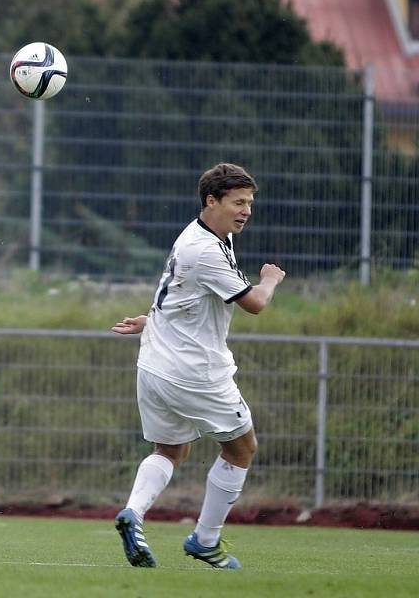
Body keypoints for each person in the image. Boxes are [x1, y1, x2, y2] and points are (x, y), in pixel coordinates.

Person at [112, 163, 285, 569]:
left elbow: (177, 294)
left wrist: (150, 320)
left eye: (249, 203)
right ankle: (205, 540)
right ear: (212, 200)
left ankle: (133, 514)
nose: (246, 210)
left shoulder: (198, 235)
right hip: (194, 371)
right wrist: (271, 279)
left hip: (155, 363)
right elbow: (255, 304)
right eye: (238, 202)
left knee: (171, 448)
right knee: (242, 447)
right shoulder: (206, 250)